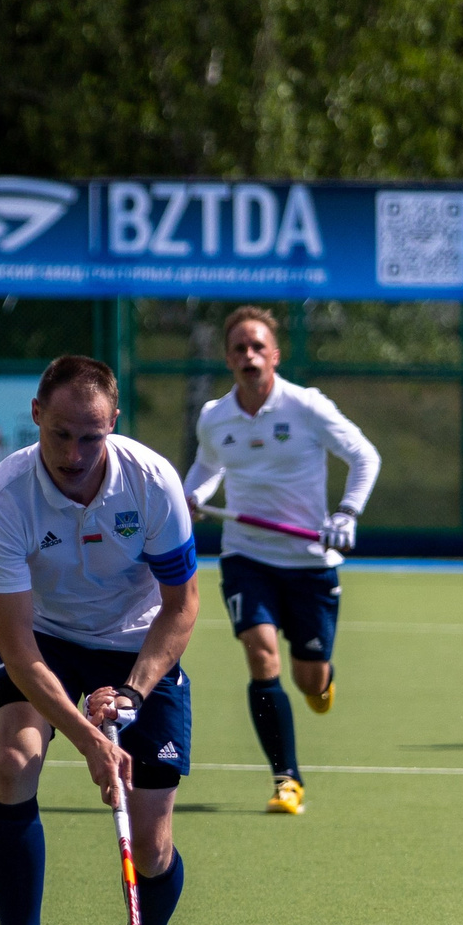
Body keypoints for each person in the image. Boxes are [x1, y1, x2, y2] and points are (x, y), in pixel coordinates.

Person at [0, 355, 199, 925]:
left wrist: (128, 692)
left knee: (153, 839)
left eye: (91, 437)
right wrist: (89, 740)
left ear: (114, 425)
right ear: (37, 416)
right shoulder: (2, 494)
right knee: (15, 760)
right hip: (42, 636)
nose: (74, 453)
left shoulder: (152, 482)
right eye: (61, 434)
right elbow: (15, 645)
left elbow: (181, 607)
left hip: (135, 640)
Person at [182, 305, 379, 816]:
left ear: (274, 354)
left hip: (311, 561)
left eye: (257, 347)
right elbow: (207, 466)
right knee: (260, 652)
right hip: (246, 555)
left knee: (310, 678)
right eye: (239, 348)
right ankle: (286, 779)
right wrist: (192, 496)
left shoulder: (306, 407)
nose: (248, 356)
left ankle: (322, 681)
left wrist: (347, 513)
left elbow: (364, 457)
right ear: (228, 358)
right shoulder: (214, 417)